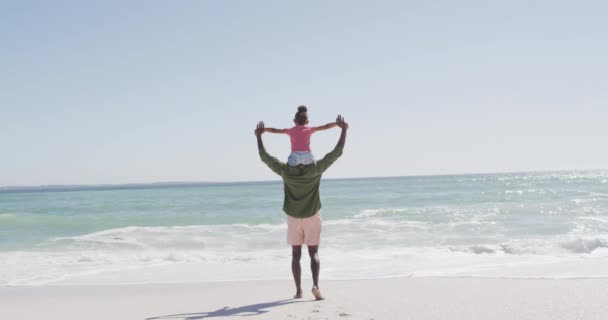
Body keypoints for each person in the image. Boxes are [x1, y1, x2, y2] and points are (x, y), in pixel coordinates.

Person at [254, 115, 348, 301]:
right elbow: (336, 152)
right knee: (314, 253)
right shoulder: (315, 170)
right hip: (313, 215)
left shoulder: (286, 171)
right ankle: (315, 285)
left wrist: (259, 137)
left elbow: (265, 157)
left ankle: (298, 291)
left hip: (293, 217)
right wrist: (344, 130)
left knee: (296, 255)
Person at [264, 106, 338, 166]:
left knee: (287, 169)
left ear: (294, 121)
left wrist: (264, 129)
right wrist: (337, 123)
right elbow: (326, 126)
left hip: (294, 156)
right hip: (307, 156)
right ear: (307, 122)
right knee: (313, 168)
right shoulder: (309, 130)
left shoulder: (290, 131)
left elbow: (275, 130)